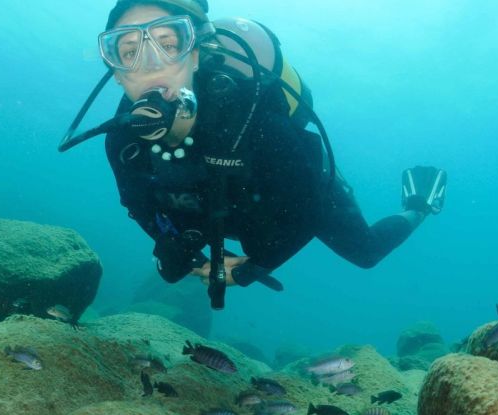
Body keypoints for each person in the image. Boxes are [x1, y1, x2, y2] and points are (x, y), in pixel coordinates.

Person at [65, 0, 446, 306]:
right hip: (210, 205)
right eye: (127, 50)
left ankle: (419, 204)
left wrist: (256, 266)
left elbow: (307, 211)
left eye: (168, 44)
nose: (149, 64)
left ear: (195, 55)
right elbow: (138, 205)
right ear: (115, 71)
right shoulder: (123, 141)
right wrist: (177, 246)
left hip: (295, 192)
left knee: (365, 252)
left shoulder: (254, 119)